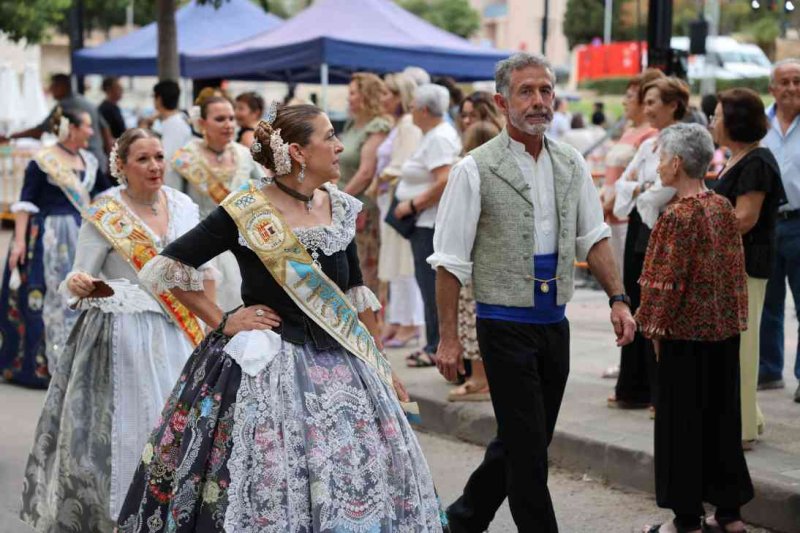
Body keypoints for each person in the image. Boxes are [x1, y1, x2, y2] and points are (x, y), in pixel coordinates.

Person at [116, 105, 445, 532]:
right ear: (298, 152)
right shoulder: (246, 210)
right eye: (329, 137)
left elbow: (354, 297)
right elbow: (168, 267)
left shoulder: (342, 208)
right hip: (268, 364)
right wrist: (224, 320)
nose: (339, 146)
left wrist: (380, 363)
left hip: (345, 367)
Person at [429, 52, 636, 533]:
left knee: (527, 439)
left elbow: (595, 237)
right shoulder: (474, 169)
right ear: (503, 101)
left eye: (545, 90)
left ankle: (462, 520)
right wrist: (448, 340)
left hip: (553, 324)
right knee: (527, 452)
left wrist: (619, 298)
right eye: (527, 91)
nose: (539, 101)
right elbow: (450, 261)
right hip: (502, 325)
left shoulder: (571, 162)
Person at [20, 129, 208, 530]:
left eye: (159, 156)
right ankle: (122, 516)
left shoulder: (184, 205)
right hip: (123, 336)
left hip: (178, 333)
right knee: (132, 431)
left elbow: (201, 273)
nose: (155, 166)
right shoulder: (105, 211)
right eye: (143, 159)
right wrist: (78, 284)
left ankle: (170, 516)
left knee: (178, 433)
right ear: (120, 166)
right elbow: (79, 272)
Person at [637, 123, 753, 533]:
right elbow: (734, 271)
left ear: (677, 163)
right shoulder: (722, 206)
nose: (658, 165)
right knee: (723, 420)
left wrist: (650, 327)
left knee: (681, 426)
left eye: (661, 157)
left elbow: (663, 282)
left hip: (684, 337)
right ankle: (730, 514)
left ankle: (686, 520)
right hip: (724, 333)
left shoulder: (676, 217)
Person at [0, 108, 111, 387]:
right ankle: (40, 367)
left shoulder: (90, 161)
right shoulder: (43, 161)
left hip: (81, 237)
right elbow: (26, 203)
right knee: (44, 297)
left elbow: (104, 199)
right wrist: (19, 244)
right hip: (47, 239)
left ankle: (79, 364)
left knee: (81, 296)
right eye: (87, 126)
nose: (91, 132)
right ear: (70, 128)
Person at [712, 88, 786, 449]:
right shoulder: (737, 157)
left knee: (742, 347)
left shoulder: (757, 162)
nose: (712, 122)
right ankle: (748, 417)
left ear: (734, 121)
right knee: (735, 344)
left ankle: (739, 427)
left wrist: (700, 224)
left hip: (745, 264)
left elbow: (744, 219)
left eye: (717, 116)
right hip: (730, 264)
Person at [611, 76, 689, 411]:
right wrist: (641, 189)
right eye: (645, 102)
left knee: (659, 308)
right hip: (639, 229)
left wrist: (639, 189)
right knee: (635, 302)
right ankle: (634, 387)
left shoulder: (684, 140)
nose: (647, 108)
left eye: (654, 102)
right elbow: (624, 187)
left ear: (673, 105)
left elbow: (664, 190)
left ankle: (662, 392)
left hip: (666, 229)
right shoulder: (648, 145)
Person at [169, 93, 262, 313]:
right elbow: (172, 203)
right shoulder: (185, 158)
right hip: (201, 247)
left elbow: (264, 194)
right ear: (202, 123)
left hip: (241, 246)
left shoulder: (245, 155)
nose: (229, 124)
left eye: (231, 118)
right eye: (220, 119)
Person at [598, 69, 662, 380]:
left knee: (625, 289)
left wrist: (610, 201)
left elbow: (635, 180)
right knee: (620, 289)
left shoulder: (649, 136)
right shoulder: (629, 131)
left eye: (631, 96)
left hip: (625, 217)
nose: (626, 101)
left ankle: (631, 361)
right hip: (611, 213)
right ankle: (627, 360)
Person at [395, 84, 462, 368]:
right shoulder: (434, 135)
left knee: (432, 285)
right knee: (427, 285)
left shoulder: (438, 138)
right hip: (423, 221)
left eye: (412, 106)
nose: (409, 111)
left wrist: (413, 204)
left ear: (423, 110)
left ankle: (436, 344)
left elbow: (444, 179)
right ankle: (433, 342)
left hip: (428, 222)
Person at [446, 119, 501, 403]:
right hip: (492, 257)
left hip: (472, 258)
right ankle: (485, 376)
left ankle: (479, 379)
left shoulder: (469, 169)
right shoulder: (500, 169)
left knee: (470, 316)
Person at [760, 58, 800, 401]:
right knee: (767, 303)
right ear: (772, 88)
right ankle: (769, 370)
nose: (790, 88)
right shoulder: (760, 124)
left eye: (797, 81)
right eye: (784, 82)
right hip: (768, 223)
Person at [376, 73, 425, 347]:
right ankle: (398, 320)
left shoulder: (407, 125)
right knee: (395, 262)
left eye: (387, 93)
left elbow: (402, 165)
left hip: (398, 200)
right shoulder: (398, 125)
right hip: (389, 199)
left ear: (400, 97)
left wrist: (379, 179)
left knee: (404, 263)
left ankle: (410, 323)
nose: (382, 99)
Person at [340, 73, 393, 295]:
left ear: (366, 95)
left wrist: (339, 199)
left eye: (353, 93)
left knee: (364, 269)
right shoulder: (353, 124)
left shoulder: (378, 126)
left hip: (361, 207)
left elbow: (365, 173)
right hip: (345, 204)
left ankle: (370, 322)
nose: (348, 98)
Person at [0, 73, 111, 169]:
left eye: (53, 86)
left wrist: (9, 137)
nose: (51, 89)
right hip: (98, 159)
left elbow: (38, 131)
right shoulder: (85, 102)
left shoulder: (64, 106)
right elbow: (105, 129)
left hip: (84, 160)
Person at [153, 80, 192, 191]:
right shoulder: (176, 121)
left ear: (159, 99)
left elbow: (168, 159)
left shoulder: (175, 124)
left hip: (172, 187)